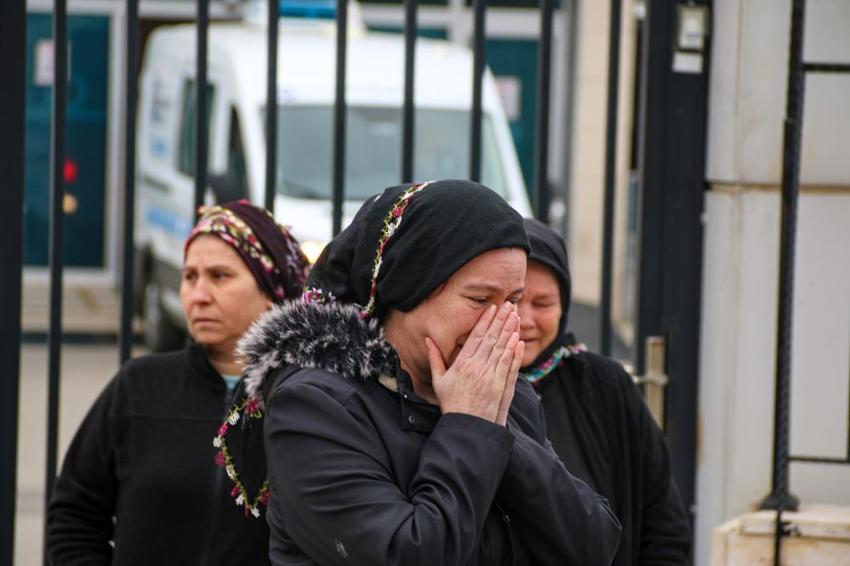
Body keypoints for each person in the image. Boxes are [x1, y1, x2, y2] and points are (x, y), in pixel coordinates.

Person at [237, 180, 622, 565]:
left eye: (513, 300)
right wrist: (470, 426)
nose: (506, 321)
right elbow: (406, 553)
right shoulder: (315, 405)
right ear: (407, 287)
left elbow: (593, 546)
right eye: (480, 299)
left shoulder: (501, 393)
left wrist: (499, 432)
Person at [46, 201, 309, 565]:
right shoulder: (139, 386)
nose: (199, 295)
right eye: (190, 277)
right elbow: (74, 516)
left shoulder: (308, 401)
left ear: (272, 292)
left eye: (220, 276)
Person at [517, 217, 692, 565]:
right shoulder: (451, 389)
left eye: (543, 303)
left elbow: (662, 525)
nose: (525, 319)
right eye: (513, 300)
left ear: (564, 305)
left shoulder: (604, 385)